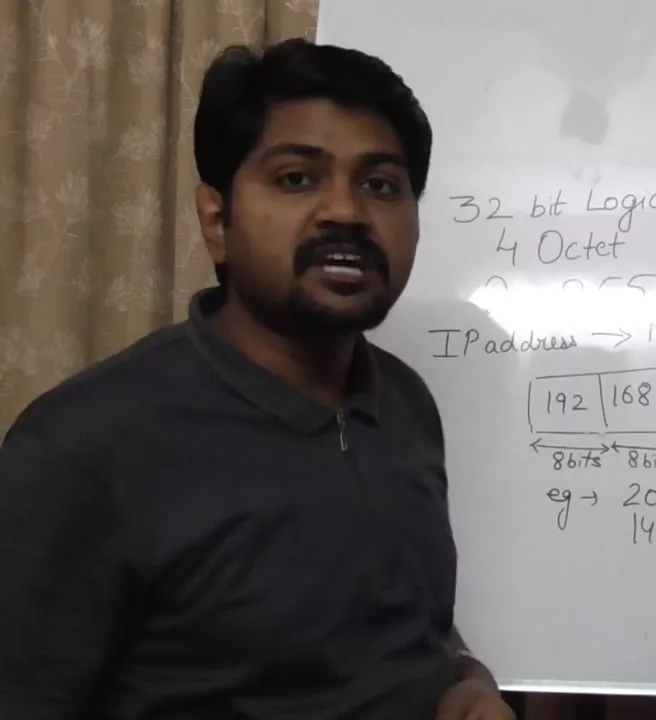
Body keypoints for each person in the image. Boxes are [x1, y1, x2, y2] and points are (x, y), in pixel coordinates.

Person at [0, 38, 514, 720]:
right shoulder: (84, 446)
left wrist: (467, 680)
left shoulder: (406, 404)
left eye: (381, 185)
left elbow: (409, 627)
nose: (346, 212)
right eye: (297, 178)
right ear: (217, 220)